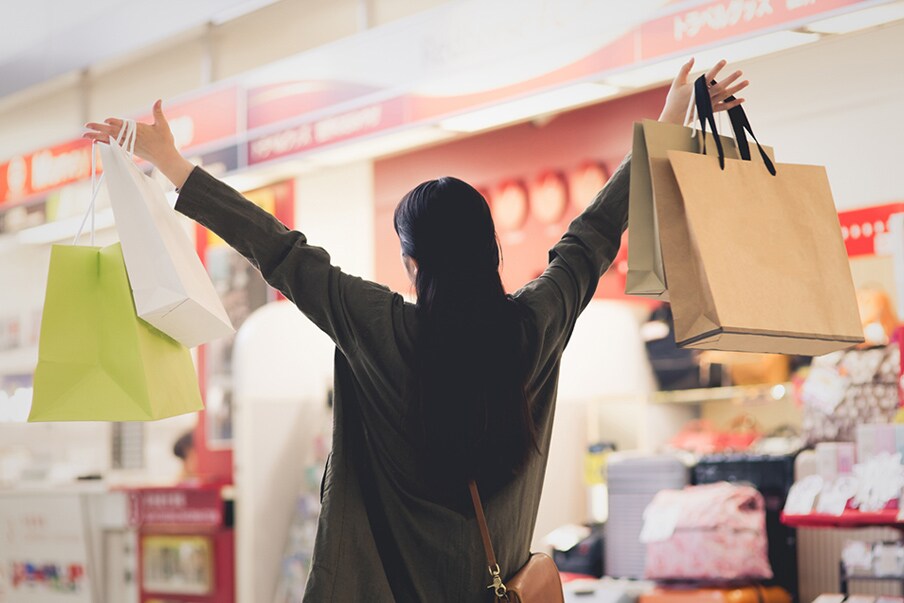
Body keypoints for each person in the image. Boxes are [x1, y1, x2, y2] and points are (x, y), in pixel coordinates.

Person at [86, 58, 747, 602]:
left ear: (413, 262)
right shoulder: (534, 325)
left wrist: (173, 164)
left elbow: (282, 252)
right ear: (489, 251)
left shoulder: (380, 328)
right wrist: (666, 127)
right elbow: (594, 234)